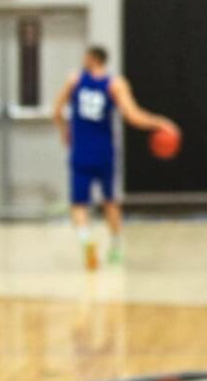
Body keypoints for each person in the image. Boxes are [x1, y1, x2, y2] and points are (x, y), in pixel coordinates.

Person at [52, 46, 178, 268]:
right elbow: (133, 116)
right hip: (104, 151)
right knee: (110, 201)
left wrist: (65, 133)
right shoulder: (115, 84)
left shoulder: (74, 80)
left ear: (92, 58)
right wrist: (160, 122)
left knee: (78, 204)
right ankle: (117, 248)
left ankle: (86, 242)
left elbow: (56, 111)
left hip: (80, 150)